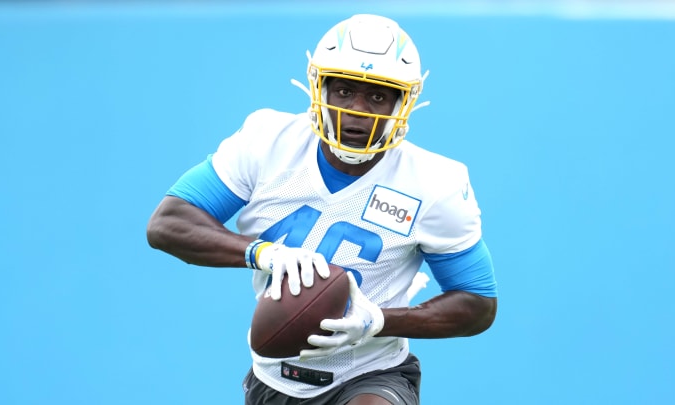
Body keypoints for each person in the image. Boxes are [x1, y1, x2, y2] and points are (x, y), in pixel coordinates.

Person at [146, 13, 498, 405]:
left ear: (404, 101)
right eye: (344, 91)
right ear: (319, 88)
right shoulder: (267, 142)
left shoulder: (434, 182)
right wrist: (261, 252)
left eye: (378, 96)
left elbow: (477, 303)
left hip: (371, 373)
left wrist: (377, 321)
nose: (357, 110)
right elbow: (168, 222)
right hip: (274, 378)